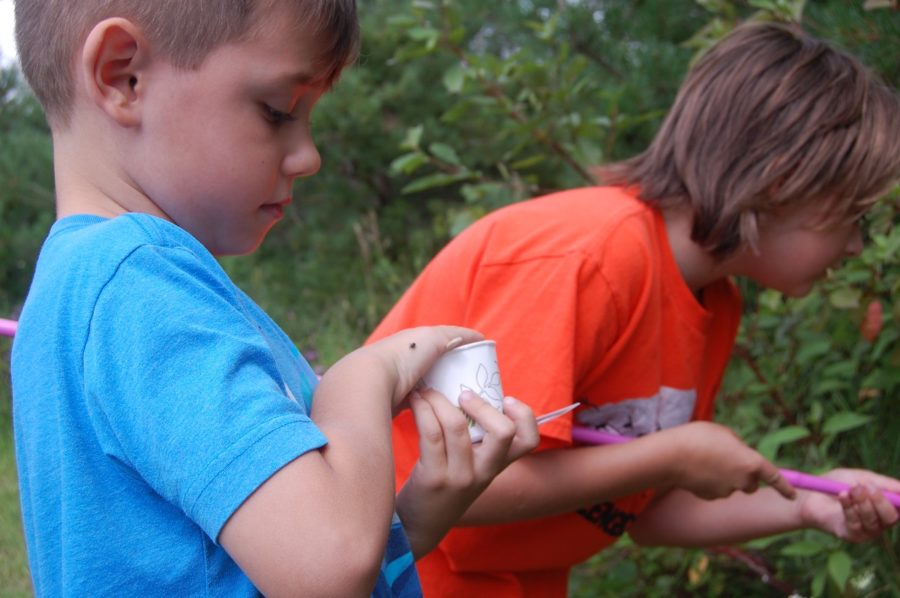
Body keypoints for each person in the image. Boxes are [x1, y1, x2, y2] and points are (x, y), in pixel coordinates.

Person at [9, 1, 540, 596]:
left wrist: (412, 519)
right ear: (123, 75)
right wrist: (363, 375)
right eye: (278, 111)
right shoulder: (138, 283)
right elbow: (327, 562)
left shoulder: (91, 286)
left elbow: (251, 564)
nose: (309, 156)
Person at [367, 21, 900, 597]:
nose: (855, 245)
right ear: (781, 182)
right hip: (405, 573)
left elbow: (642, 513)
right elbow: (464, 486)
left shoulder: (714, 303)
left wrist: (812, 506)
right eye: (853, 214)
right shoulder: (589, 256)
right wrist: (667, 456)